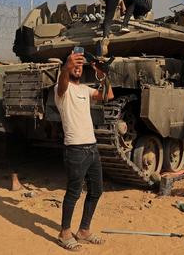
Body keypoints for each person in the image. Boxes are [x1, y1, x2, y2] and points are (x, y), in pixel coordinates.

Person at [55, 49, 114, 251]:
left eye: (80, 66)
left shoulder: (84, 90)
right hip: (76, 150)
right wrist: (67, 65)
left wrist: (103, 75)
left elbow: (109, 95)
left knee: (96, 190)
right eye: (75, 65)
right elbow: (63, 80)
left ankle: (84, 230)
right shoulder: (61, 89)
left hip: (92, 148)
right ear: (68, 66)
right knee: (73, 193)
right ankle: (64, 233)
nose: (78, 68)